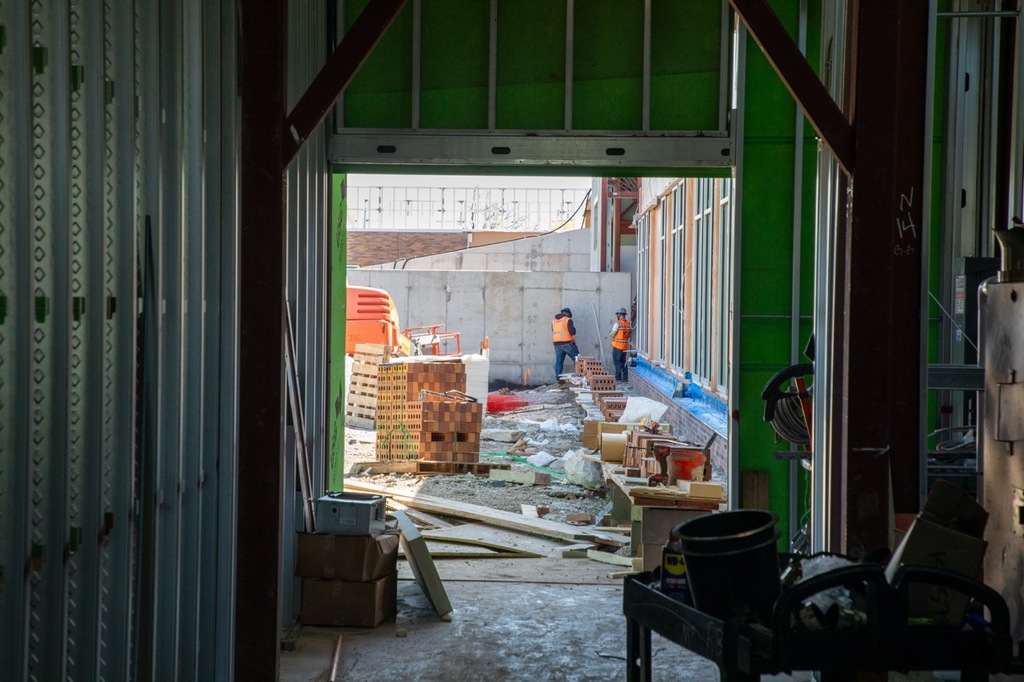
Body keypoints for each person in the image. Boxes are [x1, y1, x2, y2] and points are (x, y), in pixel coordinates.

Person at [552, 307, 580, 381]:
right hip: (567, 343)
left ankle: (558, 379)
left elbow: (553, 330)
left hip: (557, 344)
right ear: (567, 313)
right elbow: (572, 332)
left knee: (559, 361)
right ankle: (579, 377)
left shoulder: (554, 321)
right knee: (577, 359)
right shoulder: (568, 320)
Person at [609, 307, 632, 381]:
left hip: (617, 347)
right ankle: (625, 378)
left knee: (617, 362)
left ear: (618, 315)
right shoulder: (628, 324)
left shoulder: (618, 324)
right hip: (624, 347)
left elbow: (612, 334)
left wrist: (611, 333)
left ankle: (618, 377)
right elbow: (628, 335)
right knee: (623, 363)